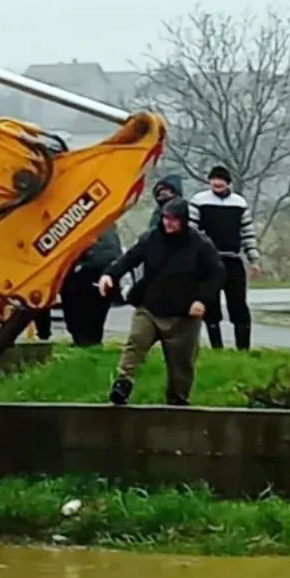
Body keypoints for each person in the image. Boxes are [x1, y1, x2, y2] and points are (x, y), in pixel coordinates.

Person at [97, 198, 225, 406]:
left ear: (184, 221)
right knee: (136, 342)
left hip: (184, 314)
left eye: (173, 220)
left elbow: (217, 274)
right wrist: (110, 275)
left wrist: (202, 300)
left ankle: (178, 401)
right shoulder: (152, 239)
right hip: (150, 307)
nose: (168, 223)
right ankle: (123, 382)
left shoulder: (200, 245)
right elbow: (129, 258)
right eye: (165, 218)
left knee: (181, 364)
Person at [188, 165, 260, 350]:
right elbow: (191, 231)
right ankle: (217, 347)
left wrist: (253, 259)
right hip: (209, 261)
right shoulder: (199, 201)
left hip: (233, 259)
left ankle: (243, 348)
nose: (217, 183)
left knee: (239, 304)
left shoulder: (239, 203)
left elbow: (247, 234)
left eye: (221, 180)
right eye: (213, 179)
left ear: (228, 183)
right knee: (211, 305)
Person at [61, 225, 123, 346]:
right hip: (104, 271)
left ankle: (83, 341)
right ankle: (91, 341)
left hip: (86, 271)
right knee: (95, 317)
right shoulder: (107, 225)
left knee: (78, 314)